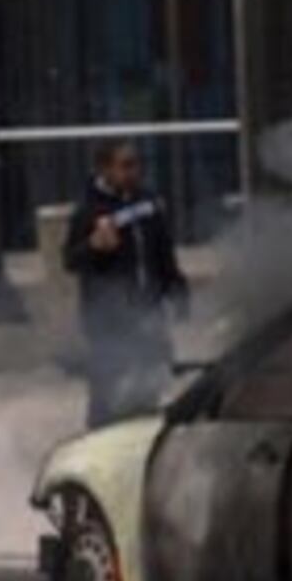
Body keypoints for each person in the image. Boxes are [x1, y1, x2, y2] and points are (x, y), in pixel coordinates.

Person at [64, 141, 189, 426]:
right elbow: (70, 260)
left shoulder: (148, 202)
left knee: (149, 383)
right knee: (109, 390)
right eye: (125, 165)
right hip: (108, 318)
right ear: (105, 169)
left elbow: (163, 253)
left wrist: (177, 289)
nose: (134, 171)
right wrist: (94, 246)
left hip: (149, 311)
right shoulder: (88, 211)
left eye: (136, 164)